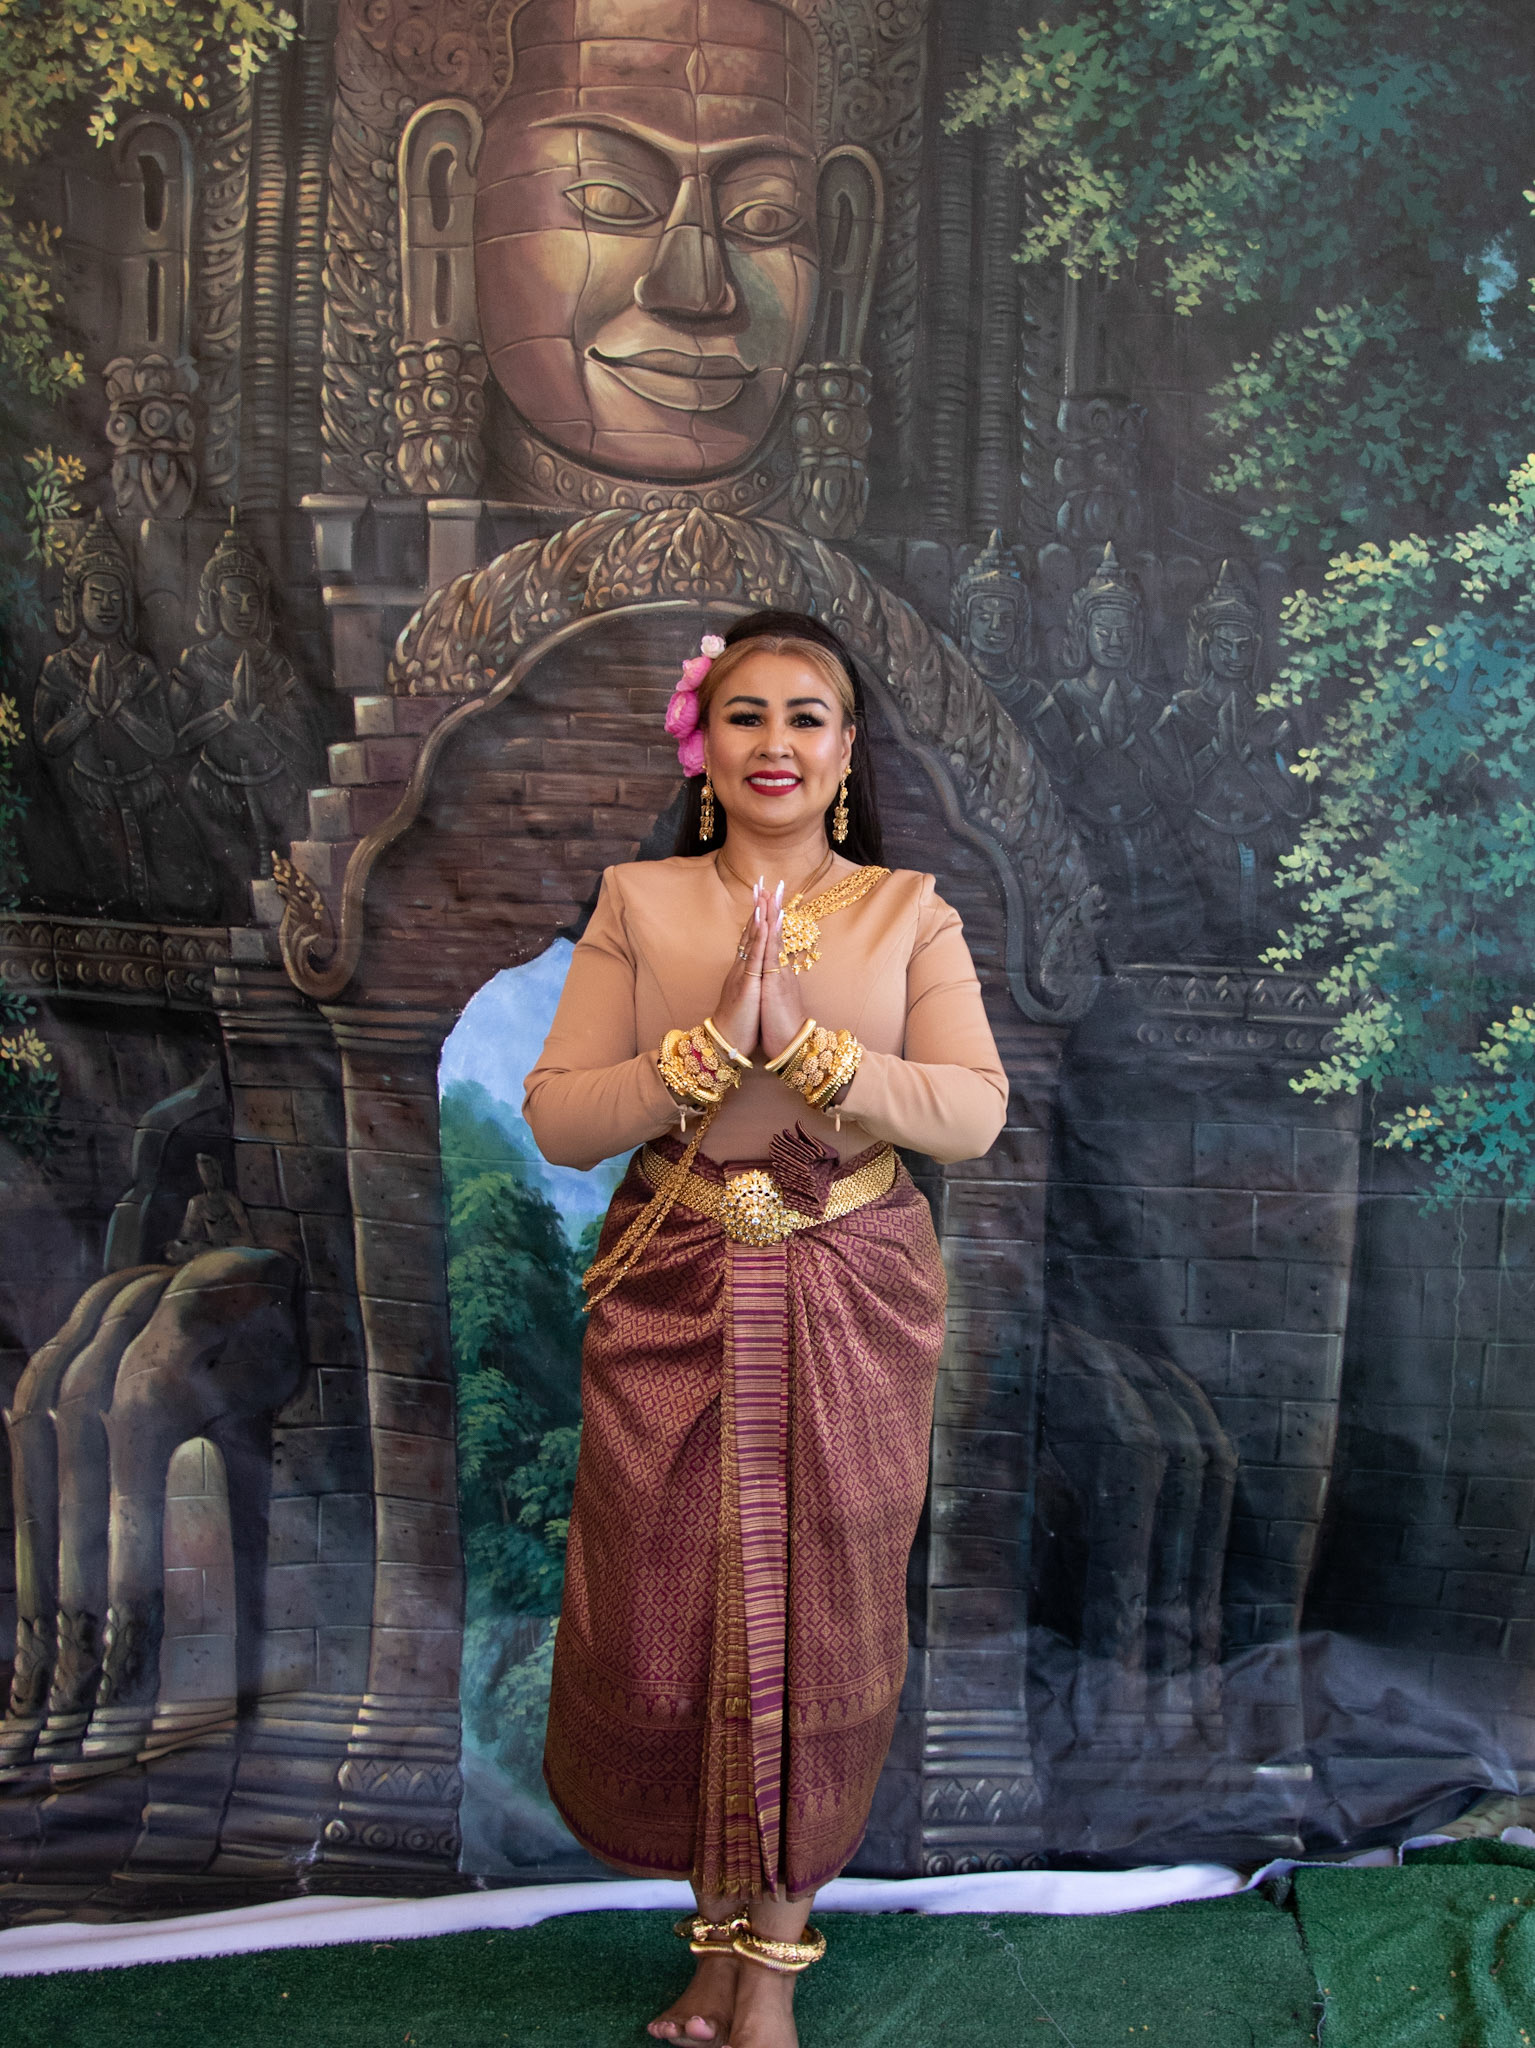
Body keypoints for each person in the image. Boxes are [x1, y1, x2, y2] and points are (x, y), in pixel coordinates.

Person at [523, 609, 1007, 2048]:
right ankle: (712, 1951)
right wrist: (703, 1052)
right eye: (746, 714)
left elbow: (973, 1113)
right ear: (703, 743)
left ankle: (771, 1977)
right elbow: (560, 1121)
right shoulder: (640, 902)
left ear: (847, 752)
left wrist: (808, 1051)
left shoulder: (909, 912)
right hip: (671, 1281)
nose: (776, 742)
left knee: (821, 1613)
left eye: (807, 716)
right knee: (670, 1616)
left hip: (851, 1286)